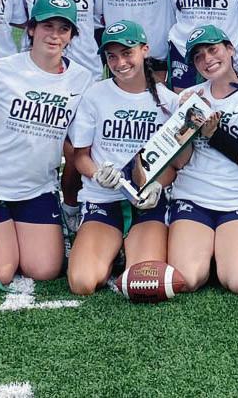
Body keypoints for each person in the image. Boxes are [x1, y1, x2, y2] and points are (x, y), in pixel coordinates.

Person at [0, 0, 93, 287]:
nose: (54, 35)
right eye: (47, 26)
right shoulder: (0, 69)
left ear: (71, 35)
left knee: (45, 269)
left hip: (37, 189)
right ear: (31, 28)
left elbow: (77, 142)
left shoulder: (81, 78)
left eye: (63, 29)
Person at [66, 20, 178, 295]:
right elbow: (80, 156)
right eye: (112, 56)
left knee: (143, 281)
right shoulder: (95, 95)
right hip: (103, 199)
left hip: (147, 203)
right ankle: (111, 250)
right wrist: (96, 174)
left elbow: (174, 164)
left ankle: (125, 249)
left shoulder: (168, 101)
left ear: (145, 50)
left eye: (127, 53)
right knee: (82, 282)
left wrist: (158, 184)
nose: (120, 63)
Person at [166, 26, 238, 294]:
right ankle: (211, 251)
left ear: (230, 49)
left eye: (213, 49)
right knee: (187, 279)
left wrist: (215, 135)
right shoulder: (190, 98)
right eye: (198, 56)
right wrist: (185, 124)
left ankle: (228, 251)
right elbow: (180, 163)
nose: (207, 59)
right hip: (194, 196)